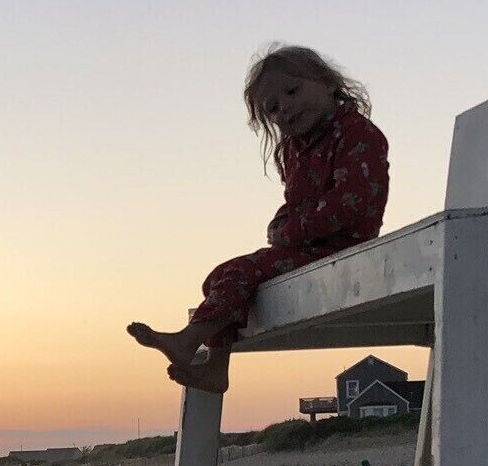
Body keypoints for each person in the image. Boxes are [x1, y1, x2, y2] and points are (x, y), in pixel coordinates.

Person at [129, 47, 388, 392]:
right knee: (219, 278)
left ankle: (189, 340)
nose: (286, 108)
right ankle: (216, 368)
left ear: (328, 83)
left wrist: (289, 232)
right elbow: (298, 203)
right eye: (274, 108)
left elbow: (349, 204)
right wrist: (281, 224)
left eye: (292, 92)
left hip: (347, 249)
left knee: (239, 274)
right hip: (310, 249)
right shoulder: (297, 148)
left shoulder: (358, 133)